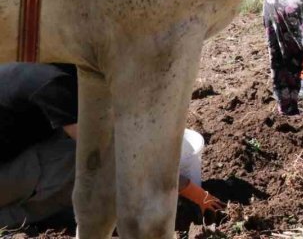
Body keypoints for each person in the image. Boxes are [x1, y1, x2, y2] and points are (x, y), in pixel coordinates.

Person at [0, 64, 221, 229]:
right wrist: (189, 189)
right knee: (91, 166)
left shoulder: (43, 61)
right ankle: (14, 218)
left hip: (12, 157)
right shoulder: (53, 83)